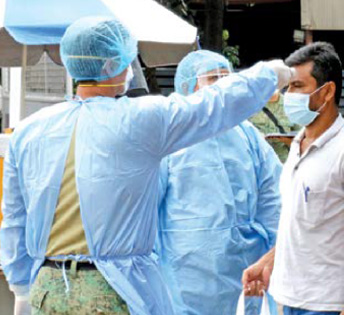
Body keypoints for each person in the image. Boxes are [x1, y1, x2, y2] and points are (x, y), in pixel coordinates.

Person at [0, 16, 293, 315]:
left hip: (48, 290)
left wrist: (21, 288)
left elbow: (13, 219)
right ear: (116, 65)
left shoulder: (29, 131)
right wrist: (269, 75)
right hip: (114, 290)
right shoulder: (140, 120)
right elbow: (212, 104)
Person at [242, 42, 344, 315]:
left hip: (331, 305)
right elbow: (301, 225)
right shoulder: (297, 144)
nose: (288, 96)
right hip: (293, 299)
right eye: (287, 87)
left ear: (327, 91)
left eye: (297, 86)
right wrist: (269, 261)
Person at [155, 50, 282, 315]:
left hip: (245, 264)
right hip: (186, 269)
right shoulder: (171, 135)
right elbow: (148, 207)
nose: (224, 85)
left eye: (227, 77)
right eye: (213, 78)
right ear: (188, 85)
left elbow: (273, 199)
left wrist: (273, 253)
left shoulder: (248, 135)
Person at [249, 93, 298, 163]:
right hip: (261, 163)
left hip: (287, 163)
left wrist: (290, 141)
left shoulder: (291, 105)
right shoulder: (248, 107)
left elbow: (304, 139)